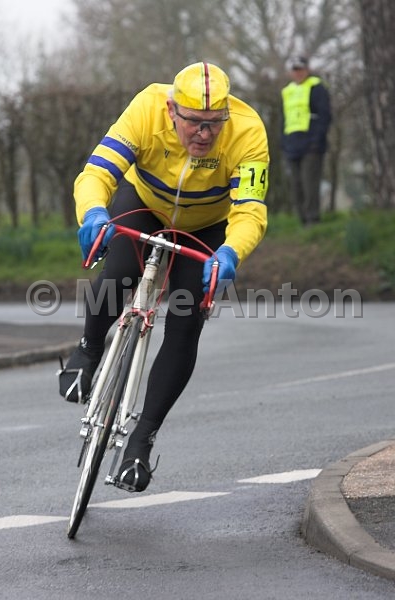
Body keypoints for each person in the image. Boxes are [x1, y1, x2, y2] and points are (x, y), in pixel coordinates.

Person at [59, 62, 269, 492]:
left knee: (187, 320)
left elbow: (250, 210)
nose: (204, 134)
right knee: (120, 273)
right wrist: (94, 213)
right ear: (172, 110)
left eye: (214, 123)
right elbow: (98, 172)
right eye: (194, 122)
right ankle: (89, 348)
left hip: (207, 225)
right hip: (145, 202)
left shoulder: (248, 130)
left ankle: (142, 439)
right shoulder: (147, 107)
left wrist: (230, 251)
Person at [281, 55, 331, 225]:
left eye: (301, 69)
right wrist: (284, 143)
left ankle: (313, 220)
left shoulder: (317, 87)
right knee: (296, 185)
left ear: (307, 69)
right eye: (295, 69)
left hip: (311, 145)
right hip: (292, 144)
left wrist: (316, 141)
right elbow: (284, 119)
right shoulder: (287, 91)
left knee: (310, 184)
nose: (298, 73)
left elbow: (325, 116)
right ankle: (302, 220)